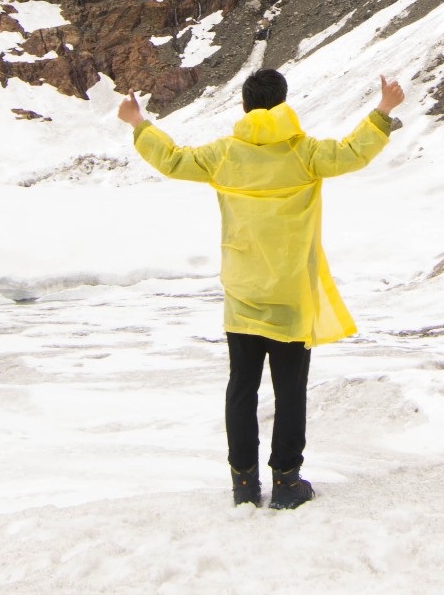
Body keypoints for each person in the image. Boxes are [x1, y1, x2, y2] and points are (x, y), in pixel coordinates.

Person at [117, 67, 405, 509]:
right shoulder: (305, 153)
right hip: (291, 296)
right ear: (284, 103)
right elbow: (352, 153)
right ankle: (287, 483)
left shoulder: (225, 154)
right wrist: (383, 110)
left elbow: (172, 159)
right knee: (290, 392)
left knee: (241, 389)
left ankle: (244, 485)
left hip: (242, 292)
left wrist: (139, 123)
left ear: (245, 107)